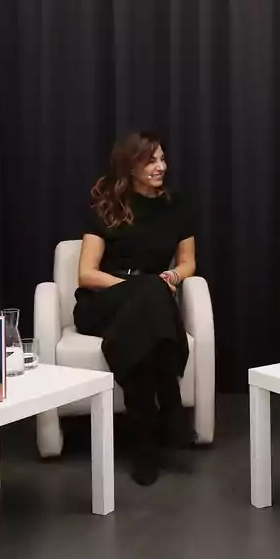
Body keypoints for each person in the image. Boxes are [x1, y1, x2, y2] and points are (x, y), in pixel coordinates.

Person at [74, 131, 196, 487]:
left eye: (162, 159)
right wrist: (141, 287)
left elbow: (188, 263)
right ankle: (170, 402)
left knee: (144, 319)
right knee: (150, 295)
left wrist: (170, 276)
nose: (161, 167)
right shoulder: (105, 207)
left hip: (148, 304)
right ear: (131, 165)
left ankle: (146, 442)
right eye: (151, 160)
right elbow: (86, 274)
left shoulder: (177, 206)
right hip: (104, 301)